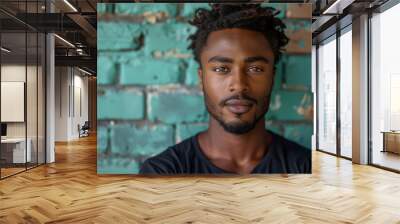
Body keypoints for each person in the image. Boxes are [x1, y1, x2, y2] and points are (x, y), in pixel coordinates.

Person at [139, 3, 311, 174]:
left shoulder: (307, 168)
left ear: (272, 77)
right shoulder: (163, 173)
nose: (239, 85)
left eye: (256, 69)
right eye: (221, 69)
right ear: (202, 78)